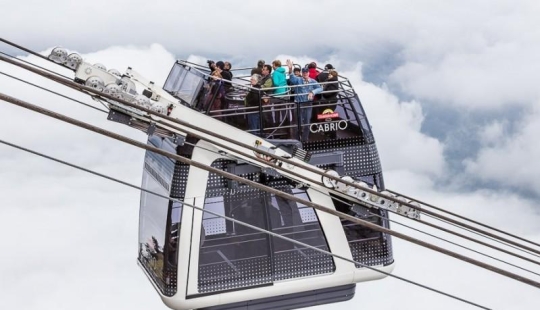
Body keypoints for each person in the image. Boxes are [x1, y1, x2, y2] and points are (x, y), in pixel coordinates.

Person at [286, 59, 322, 141]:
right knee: (298, 122)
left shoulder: (312, 81)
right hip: (299, 104)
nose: (305, 74)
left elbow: (320, 88)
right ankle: (296, 139)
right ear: (302, 73)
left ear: (308, 73)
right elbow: (292, 79)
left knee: (307, 122)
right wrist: (290, 69)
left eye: (306, 72)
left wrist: (313, 92)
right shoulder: (298, 80)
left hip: (308, 104)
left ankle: (305, 139)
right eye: (304, 73)